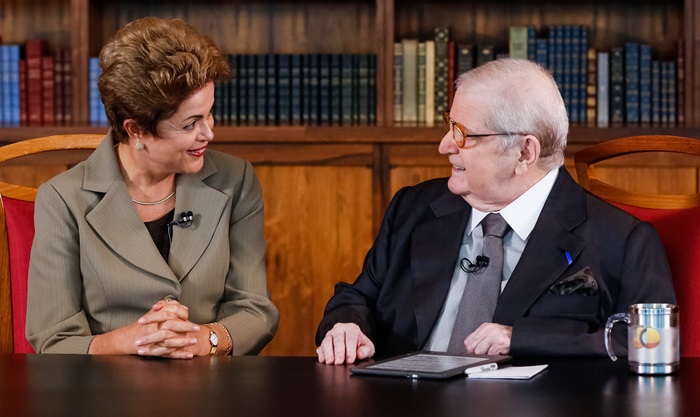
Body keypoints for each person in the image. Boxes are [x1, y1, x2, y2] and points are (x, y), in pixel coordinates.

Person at [315, 58, 676, 365]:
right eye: (449, 125)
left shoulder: (621, 240)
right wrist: (347, 325)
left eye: (463, 134)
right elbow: (358, 296)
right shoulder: (413, 208)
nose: (444, 146)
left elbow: (649, 342)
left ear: (524, 153)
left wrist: (520, 338)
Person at [26, 17, 279, 358]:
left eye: (209, 114)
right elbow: (52, 339)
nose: (208, 133)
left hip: (211, 388)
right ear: (136, 130)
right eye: (191, 123)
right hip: (106, 395)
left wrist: (205, 338)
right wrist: (132, 341)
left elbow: (256, 311)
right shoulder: (62, 199)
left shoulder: (236, 180)